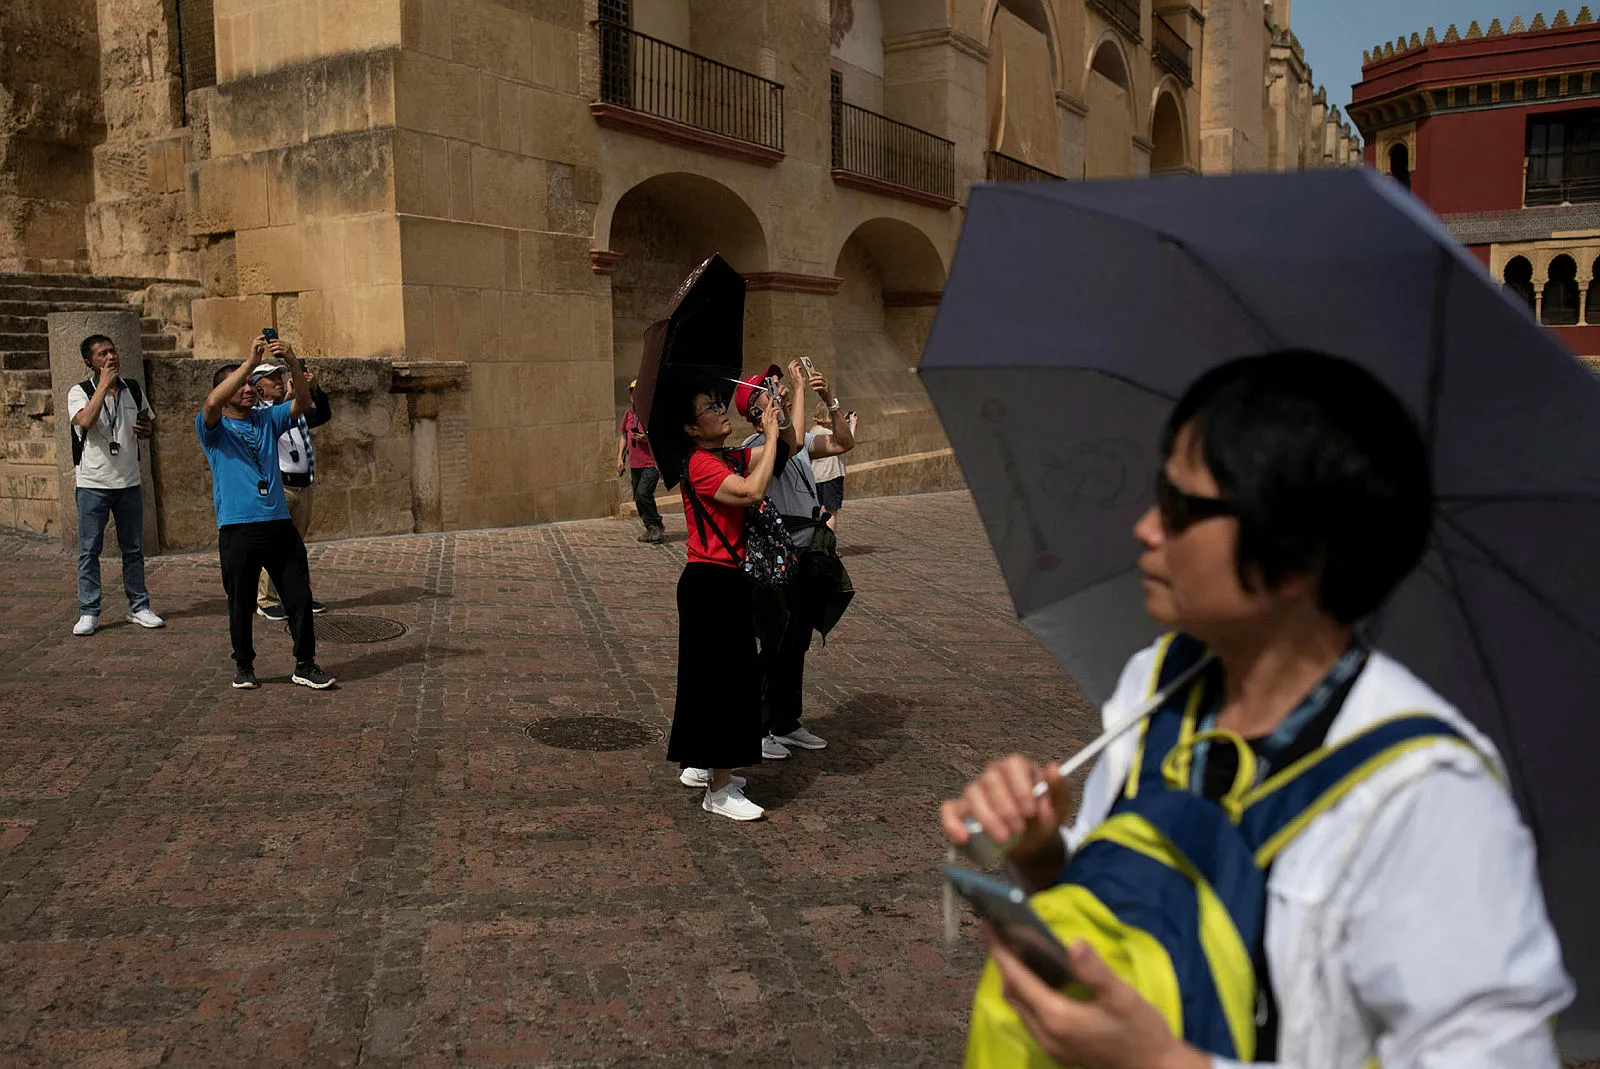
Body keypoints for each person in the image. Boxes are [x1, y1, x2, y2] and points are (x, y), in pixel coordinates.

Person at [940, 353, 1571, 1069]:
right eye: (1158, 491)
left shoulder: (1426, 794)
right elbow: (1131, 919)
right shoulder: (1157, 687)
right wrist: (1041, 852)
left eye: (1183, 509)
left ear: (1300, 552)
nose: (1147, 527)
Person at [668, 379, 784, 821]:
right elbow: (752, 491)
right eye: (709, 408)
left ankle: (703, 765)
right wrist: (770, 434)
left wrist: (776, 410)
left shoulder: (725, 456)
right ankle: (718, 791)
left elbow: (783, 451)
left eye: (719, 403)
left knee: (714, 680)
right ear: (692, 428)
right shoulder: (699, 464)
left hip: (726, 580)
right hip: (709, 583)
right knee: (723, 684)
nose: (720, 410)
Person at [196, 336, 336, 692]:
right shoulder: (213, 428)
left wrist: (290, 358)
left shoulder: (267, 419)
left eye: (250, 384)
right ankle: (243, 665)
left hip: (278, 526)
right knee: (241, 604)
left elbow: (303, 401)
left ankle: (305, 663)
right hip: (238, 529)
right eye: (241, 385)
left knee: (299, 597)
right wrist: (248, 362)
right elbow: (212, 402)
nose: (248, 389)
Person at [734, 360, 854, 759]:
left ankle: (786, 722)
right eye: (770, 389)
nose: (779, 390)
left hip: (805, 554)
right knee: (773, 643)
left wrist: (828, 400)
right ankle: (759, 727)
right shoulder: (760, 449)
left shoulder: (795, 445)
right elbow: (794, 442)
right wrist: (800, 390)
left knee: (797, 640)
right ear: (756, 411)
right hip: (776, 557)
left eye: (778, 385)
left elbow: (842, 444)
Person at [66, 335, 164, 636]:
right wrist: (104, 386)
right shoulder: (79, 392)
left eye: (113, 351)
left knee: (133, 549)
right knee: (89, 550)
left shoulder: (132, 389)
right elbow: (85, 421)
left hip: (128, 482)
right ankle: (89, 611)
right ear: (90, 363)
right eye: (102, 354)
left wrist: (146, 429)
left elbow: (149, 424)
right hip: (93, 483)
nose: (111, 357)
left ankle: (139, 606)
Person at [250, 361, 331, 620]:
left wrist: (314, 389)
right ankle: (266, 599)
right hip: (280, 487)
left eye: (279, 376)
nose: (277, 381)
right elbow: (271, 422)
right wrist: (287, 398)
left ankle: (298, 595)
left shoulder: (292, 410)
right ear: (257, 387)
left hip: (303, 485)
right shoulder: (257, 414)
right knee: (273, 544)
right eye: (270, 378)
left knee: (297, 545)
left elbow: (324, 414)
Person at [617, 379, 663, 543]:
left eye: (637, 392)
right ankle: (650, 528)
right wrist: (619, 459)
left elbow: (660, 437)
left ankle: (656, 525)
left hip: (650, 464)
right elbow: (623, 435)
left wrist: (645, 438)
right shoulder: (628, 414)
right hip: (634, 464)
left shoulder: (650, 414)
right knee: (638, 498)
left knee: (644, 494)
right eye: (631, 392)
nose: (634, 396)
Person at [808, 402, 856, 532]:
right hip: (831, 477)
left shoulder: (813, 431)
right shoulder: (829, 433)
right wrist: (852, 425)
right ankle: (829, 547)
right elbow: (847, 442)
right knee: (831, 513)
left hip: (816, 477)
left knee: (820, 511)